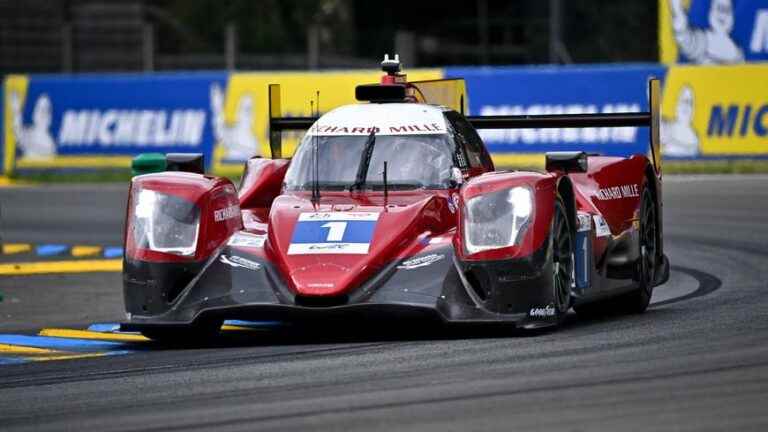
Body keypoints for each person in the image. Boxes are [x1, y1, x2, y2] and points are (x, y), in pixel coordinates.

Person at [669, 0, 744, 64]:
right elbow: (684, 38)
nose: (722, 15)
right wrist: (677, 10)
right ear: (710, 12)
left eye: (726, 10)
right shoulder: (704, 40)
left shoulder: (737, 51)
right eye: (719, 8)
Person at [11, 92, 56, 158]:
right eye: (39, 108)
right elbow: (17, 132)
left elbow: (22, 140)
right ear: (33, 114)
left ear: (51, 117)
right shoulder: (27, 132)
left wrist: (16, 111)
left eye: (47, 109)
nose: (43, 113)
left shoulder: (50, 144)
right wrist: (16, 111)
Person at [661, 85, 700, 157]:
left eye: (690, 103)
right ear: (677, 105)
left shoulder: (695, 138)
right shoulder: (667, 127)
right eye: (684, 101)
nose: (686, 106)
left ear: (693, 109)